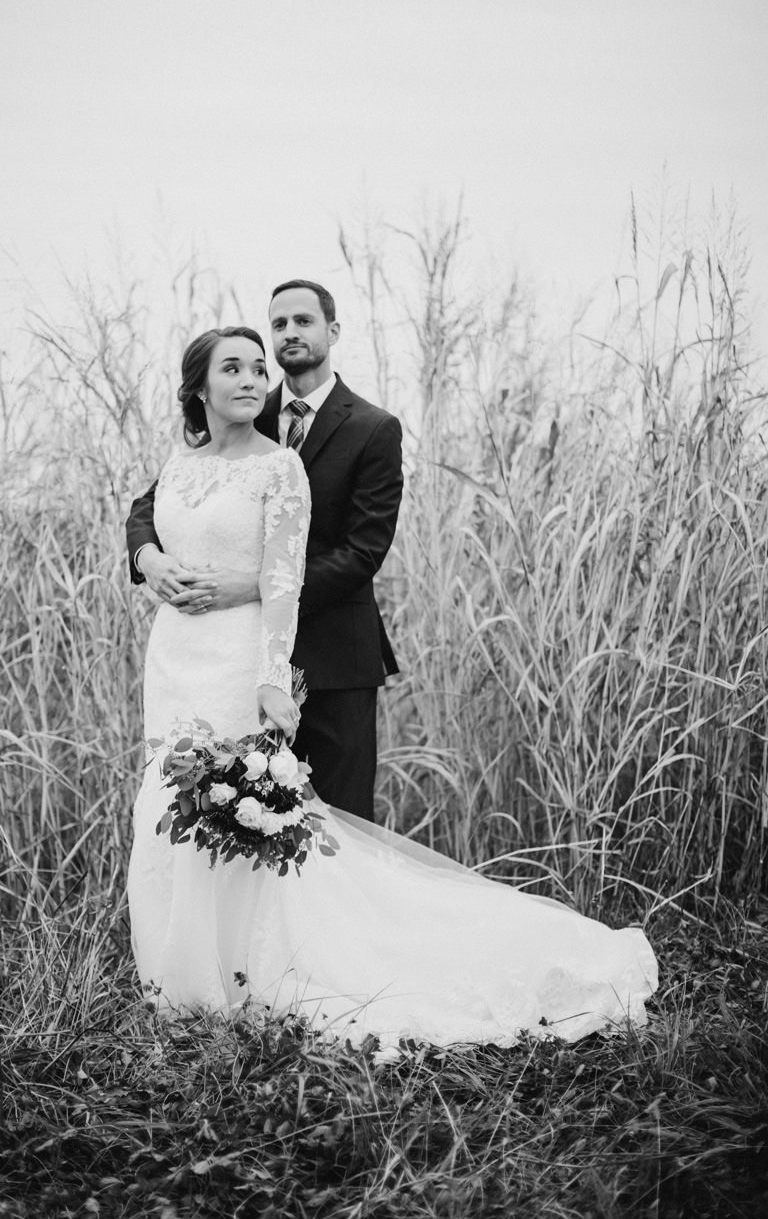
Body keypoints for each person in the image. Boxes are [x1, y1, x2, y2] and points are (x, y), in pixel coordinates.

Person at [124, 326, 656, 1053]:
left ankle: (248, 970)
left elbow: (285, 584)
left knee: (239, 813)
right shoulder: (180, 461)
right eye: (234, 368)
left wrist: (274, 680)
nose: (253, 376)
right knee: (169, 797)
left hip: (236, 656)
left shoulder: (280, 467)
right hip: (176, 656)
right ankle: (180, 974)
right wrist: (150, 558)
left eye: (258, 367)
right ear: (199, 386)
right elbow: (146, 514)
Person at [126, 280, 400, 821]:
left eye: (304, 321)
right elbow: (148, 507)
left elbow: (362, 553)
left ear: (333, 331)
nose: (291, 332)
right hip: (234, 660)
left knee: (337, 824)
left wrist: (250, 586)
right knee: (229, 822)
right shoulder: (242, 409)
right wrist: (148, 559)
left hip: (332, 658)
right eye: (280, 324)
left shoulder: (373, 428)